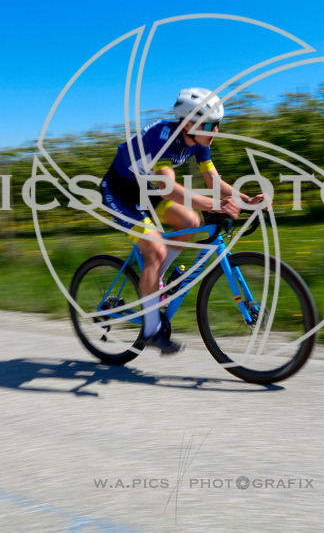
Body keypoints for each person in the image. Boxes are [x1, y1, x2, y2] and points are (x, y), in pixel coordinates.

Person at [99, 87, 266, 354]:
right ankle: (151, 330)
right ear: (189, 123)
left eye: (218, 125)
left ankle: (157, 280)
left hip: (143, 188)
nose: (216, 131)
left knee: (190, 221)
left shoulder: (199, 142)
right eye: (212, 125)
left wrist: (245, 201)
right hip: (118, 189)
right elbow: (168, 188)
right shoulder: (164, 136)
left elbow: (213, 180)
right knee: (154, 248)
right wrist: (217, 205)